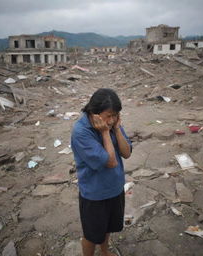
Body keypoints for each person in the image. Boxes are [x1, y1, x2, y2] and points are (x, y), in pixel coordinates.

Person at [71, 88, 132, 256]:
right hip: (95, 194)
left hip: (115, 187)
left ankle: (105, 252)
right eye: (109, 115)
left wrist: (117, 129)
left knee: (108, 228)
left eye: (116, 115)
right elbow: (111, 162)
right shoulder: (81, 131)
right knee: (92, 235)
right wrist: (105, 132)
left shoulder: (113, 124)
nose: (112, 120)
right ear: (94, 113)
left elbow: (126, 153)